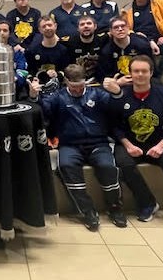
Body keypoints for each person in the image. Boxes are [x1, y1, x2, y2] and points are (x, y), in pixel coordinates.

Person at [29, 65, 127, 230]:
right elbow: (41, 112)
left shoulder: (97, 94)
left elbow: (117, 108)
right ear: (66, 81)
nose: (77, 89)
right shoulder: (58, 97)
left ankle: (115, 207)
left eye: (81, 85)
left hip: (98, 143)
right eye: (73, 86)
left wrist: (117, 92)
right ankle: (87, 211)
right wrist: (33, 96)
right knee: (66, 166)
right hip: (70, 145)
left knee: (107, 167)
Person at [112, 55, 163, 225]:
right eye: (136, 71)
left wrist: (162, 145)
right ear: (130, 73)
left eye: (144, 71)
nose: (140, 75)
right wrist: (127, 145)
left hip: (158, 142)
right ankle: (147, 202)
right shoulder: (121, 96)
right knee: (122, 164)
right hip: (129, 142)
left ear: (151, 73)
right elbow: (114, 126)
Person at [98, 17, 154, 82]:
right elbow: (104, 76)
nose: (120, 29)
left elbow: (151, 69)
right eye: (116, 27)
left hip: (141, 79)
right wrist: (117, 82)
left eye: (123, 26)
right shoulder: (106, 51)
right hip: (118, 83)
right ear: (111, 31)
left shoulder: (142, 46)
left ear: (128, 28)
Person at [63, 15, 109, 82]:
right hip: (77, 82)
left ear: (95, 26)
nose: (86, 26)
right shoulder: (70, 42)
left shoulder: (103, 39)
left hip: (99, 81)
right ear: (78, 28)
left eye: (89, 23)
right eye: (82, 24)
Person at [0, 21, 29, 100]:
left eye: (5, 30)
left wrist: (12, 80)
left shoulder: (17, 52)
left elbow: (22, 71)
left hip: (15, 88)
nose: (2, 33)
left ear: (9, 33)